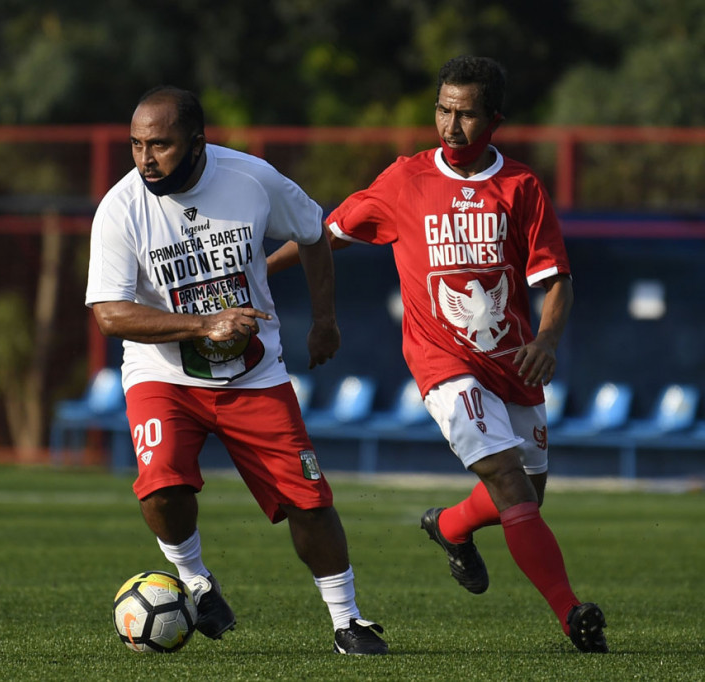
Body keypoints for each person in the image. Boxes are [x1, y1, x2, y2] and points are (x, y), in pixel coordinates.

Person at [268, 56, 607, 653]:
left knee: (527, 492)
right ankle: (572, 614)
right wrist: (257, 275)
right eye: (443, 109)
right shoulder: (404, 180)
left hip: (513, 366)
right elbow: (325, 234)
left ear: (494, 119)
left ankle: (449, 527)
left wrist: (546, 341)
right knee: (509, 482)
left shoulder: (520, 186)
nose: (451, 125)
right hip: (442, 365)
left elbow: (557, 281)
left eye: (466, 113)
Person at [86, 86, 388, 655]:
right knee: (160, 489)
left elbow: (314, 232)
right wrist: (204, 326)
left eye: (161, 145)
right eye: (136, 145)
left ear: (198, 143)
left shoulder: (251, 178)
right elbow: (108, 315)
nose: (146, 159)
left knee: (309, 501)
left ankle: (347, 619)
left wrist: (324, 321)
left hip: (254, 375)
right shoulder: (121, 207)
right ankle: (196, 581)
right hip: (163, 376)